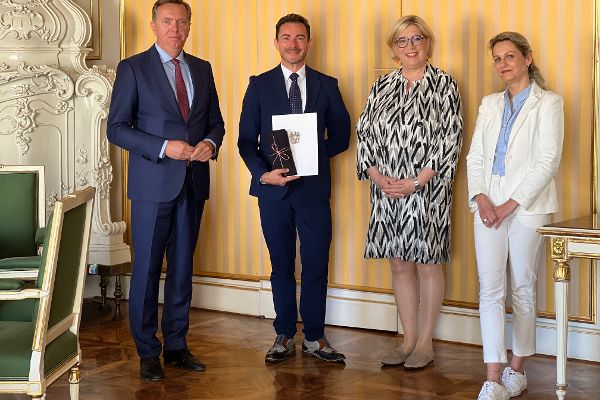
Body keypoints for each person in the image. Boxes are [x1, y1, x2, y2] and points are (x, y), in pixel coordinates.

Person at [107, 0, 225, 381]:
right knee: (145, 271)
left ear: (190, 26)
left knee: (182, 271)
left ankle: (176, 345)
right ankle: (147, 351)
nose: (175, 28)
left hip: (193, 183)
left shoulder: (202, 69)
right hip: (152, 186)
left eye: (182, 22)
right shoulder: (133, 68)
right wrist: (163, 146)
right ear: (154, 25)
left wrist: (209, 143)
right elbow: (117, 128)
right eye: (168, 21)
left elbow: (216, 123)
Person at [238, 13, 350, 363]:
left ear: (308, 43)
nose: (292, 44)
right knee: (281, 263)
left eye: (299, 37)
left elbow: (343, 136)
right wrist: (263, 174)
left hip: (313, 191)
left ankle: (315, 338)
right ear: (276, 43)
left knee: (316, 263)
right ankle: (284, 334)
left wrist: (314, 158)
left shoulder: (326, 85)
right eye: (286, 37)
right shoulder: (259, 85)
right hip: (273, 192)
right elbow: (245, 141)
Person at [356, 15, 463, 370]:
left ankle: (425, 343)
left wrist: (417, 181)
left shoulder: (445, 85)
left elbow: (451, 139)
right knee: (399, 263)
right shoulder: (381, 86)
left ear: (427, 43)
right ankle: (406, 341)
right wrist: (376, 176)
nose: (410, 46)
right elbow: (365, 134)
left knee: (428, 263)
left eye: (417, 39)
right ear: (393, 49)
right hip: (386, 190)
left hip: (427, 191)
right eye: (402, 41)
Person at [466, 32, 563, 400]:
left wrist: (509, 204)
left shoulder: (548, 103)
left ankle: (516, 370)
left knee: (522, 286)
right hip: (486, 202)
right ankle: (492, 376)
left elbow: (547, 161)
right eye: (497, 58)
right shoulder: (490, 104)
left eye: (510, 56)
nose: (503, 64)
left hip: (528, 206)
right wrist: (482, 197)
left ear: (527, 58)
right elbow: (475, 156)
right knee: (489, 289)